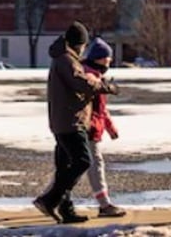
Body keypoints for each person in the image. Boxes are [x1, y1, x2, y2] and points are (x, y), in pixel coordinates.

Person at [33, 22, 119, 224]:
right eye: (83, 44)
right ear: (78, 43)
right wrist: (104, 87)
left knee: (65, 166)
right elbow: (79, 82)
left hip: (65, 119)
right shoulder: (66, 60)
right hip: (71, 121)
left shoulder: (65, 58)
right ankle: (50, 199)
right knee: (83, 161)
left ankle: (66, 210)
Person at [82, 37, 126, 217]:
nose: (109, 63)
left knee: (73, 166)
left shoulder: (97, 76)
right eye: (107, 60)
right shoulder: (90, 76)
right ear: (98, 58)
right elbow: (91, 87)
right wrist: (105, 87)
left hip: (93, 127)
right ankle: (104, 204)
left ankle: (50, 198)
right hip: (88, 128)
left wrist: (110, 127)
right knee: (94, 164)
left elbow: (102, 110)